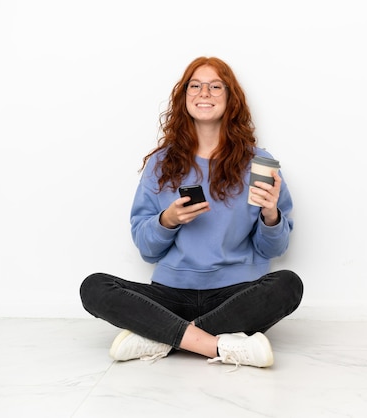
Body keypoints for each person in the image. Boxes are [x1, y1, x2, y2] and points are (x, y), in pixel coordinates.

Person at [80, 56, 303, 369]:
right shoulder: (161, 163)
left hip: (235, 295)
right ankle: (217, 344)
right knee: (94, 287)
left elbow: (274, 249)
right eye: (195, 86)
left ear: (231, 98)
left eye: (215, 86)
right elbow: (146, 250)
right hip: (171, 295)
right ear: (183, 97)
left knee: (288, 284)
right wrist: (167, 221)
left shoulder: (258, 162)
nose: (204, 93)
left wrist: (270, 215)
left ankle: (162, 336)